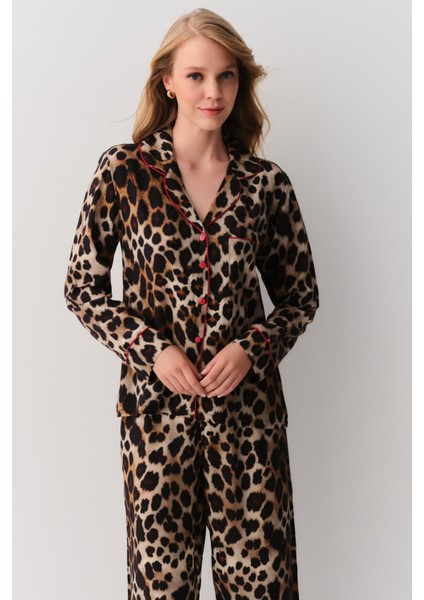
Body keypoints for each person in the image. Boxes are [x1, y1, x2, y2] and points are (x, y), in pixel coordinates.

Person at [64, 7, 319, 600]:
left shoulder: (266, 184)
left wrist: (252, 347)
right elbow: (81, 287)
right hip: (155, 426)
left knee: (262, 589)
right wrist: (151, 350)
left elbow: (301, 297)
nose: (213, 92)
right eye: (197, 75)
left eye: (226, 75)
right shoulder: (124, 173)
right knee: (161, 589)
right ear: (168, 82)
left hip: (250, 430)